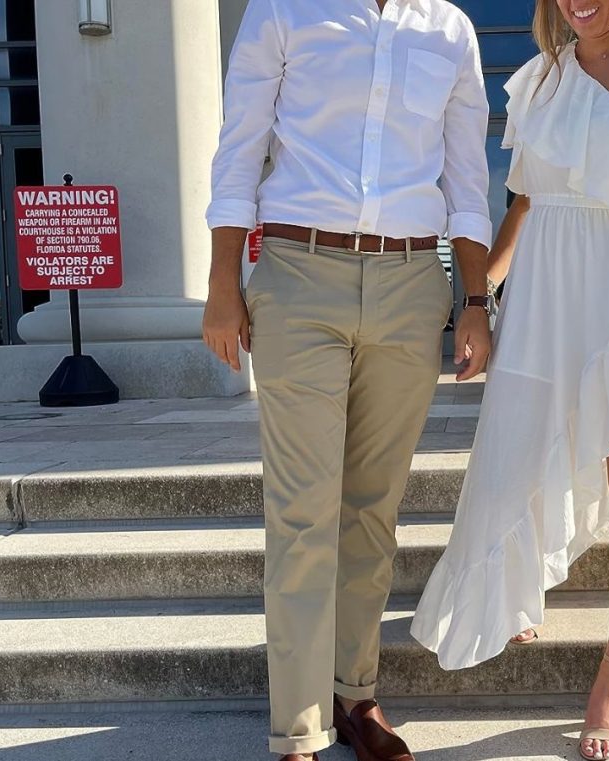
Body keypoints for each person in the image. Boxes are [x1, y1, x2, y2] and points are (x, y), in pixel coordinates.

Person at [411, 1, 609, 759]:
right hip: (544, 302)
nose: (575, 1)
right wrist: (477, 301)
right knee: (518, 458)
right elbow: (524, 201)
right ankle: (519, 579)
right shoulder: (541, 78)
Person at [201, 1, 493, 759]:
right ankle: (296, 728)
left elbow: (467, 176)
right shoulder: (282, 12)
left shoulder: (450, 29)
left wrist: (474, 299)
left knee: (371, 508)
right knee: (301, 512)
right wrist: (222, 283)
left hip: (410, 282)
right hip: (300, 275)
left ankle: (354, 692)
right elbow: (240, 148)